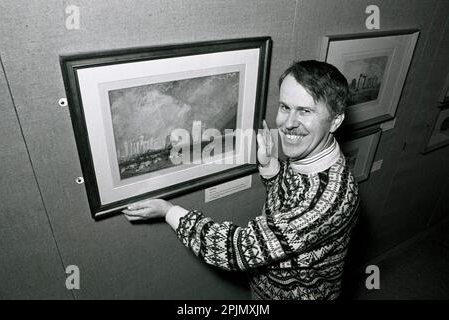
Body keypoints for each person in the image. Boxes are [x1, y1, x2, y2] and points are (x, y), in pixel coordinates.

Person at [123, 60, 359, 300]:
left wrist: (168, 211)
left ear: (336, 121)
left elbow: (237, 249)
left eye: (305, 111)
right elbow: (287, 208)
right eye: (285, 107)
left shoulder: (326, 200)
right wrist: (271, 167)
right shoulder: (313, 159)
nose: (288, 123)